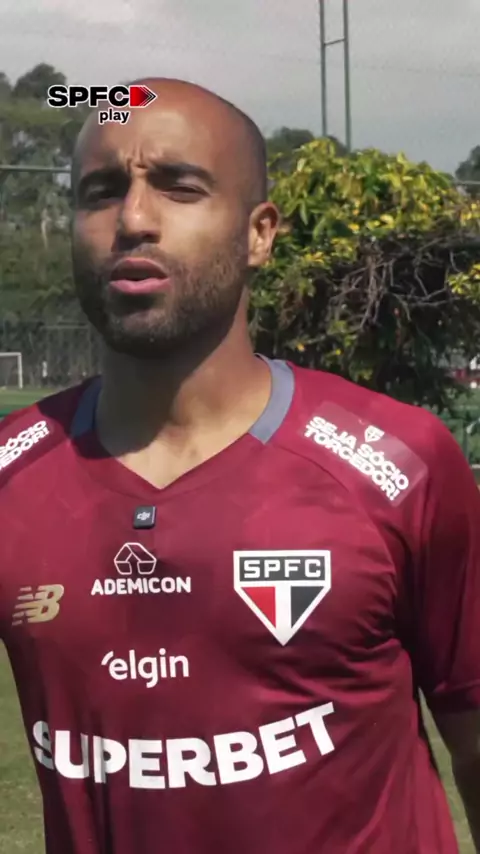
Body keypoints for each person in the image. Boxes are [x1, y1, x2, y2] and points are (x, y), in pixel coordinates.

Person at [0, 77, 479, 854]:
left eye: (179, 186)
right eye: (101, 191)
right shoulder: (13, 477)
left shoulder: (398, 466)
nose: (134, 218)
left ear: (259, 233)